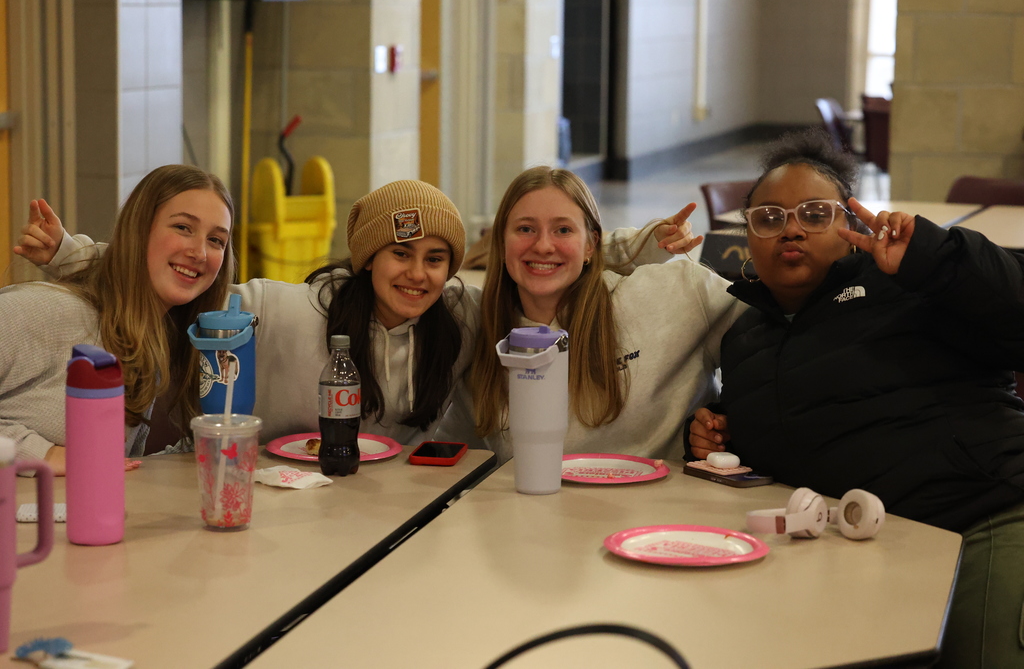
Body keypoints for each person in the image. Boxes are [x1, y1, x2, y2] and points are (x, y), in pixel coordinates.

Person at [687, 128, 1024, 669]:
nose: (790, 229)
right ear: (747, 237)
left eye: (815, 214)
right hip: (861, 547)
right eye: (769, 219)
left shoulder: (912, 283)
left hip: (979, 521)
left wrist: (936, 260)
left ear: (850, 222)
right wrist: (714, 431)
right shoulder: (746, 337)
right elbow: (795, 418)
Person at [23, 180, 699, 448]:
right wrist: (70, 255)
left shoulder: (458, 310)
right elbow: (184, 281)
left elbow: (538, 257)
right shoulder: (287, 308)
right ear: (365, 259)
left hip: (396, 511)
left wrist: (628, 245)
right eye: (399, 252)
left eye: (437, 256)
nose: (418, 272)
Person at [464, 165, 745, 462]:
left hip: (663, 504)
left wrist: (729, 422)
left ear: (592, 243)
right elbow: (463, 455)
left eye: (563, 230)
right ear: (500, 242)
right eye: (525, 229)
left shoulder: (679, 293)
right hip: (528, 505)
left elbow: (779, 340)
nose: (543, 245)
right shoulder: (477, 326)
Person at [1, 165, 235, 474]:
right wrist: (40, 454)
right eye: (183, 227)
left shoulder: (151, 335)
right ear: (139, 230)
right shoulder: (44, 311)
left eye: (216, 240)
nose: (200, 253)